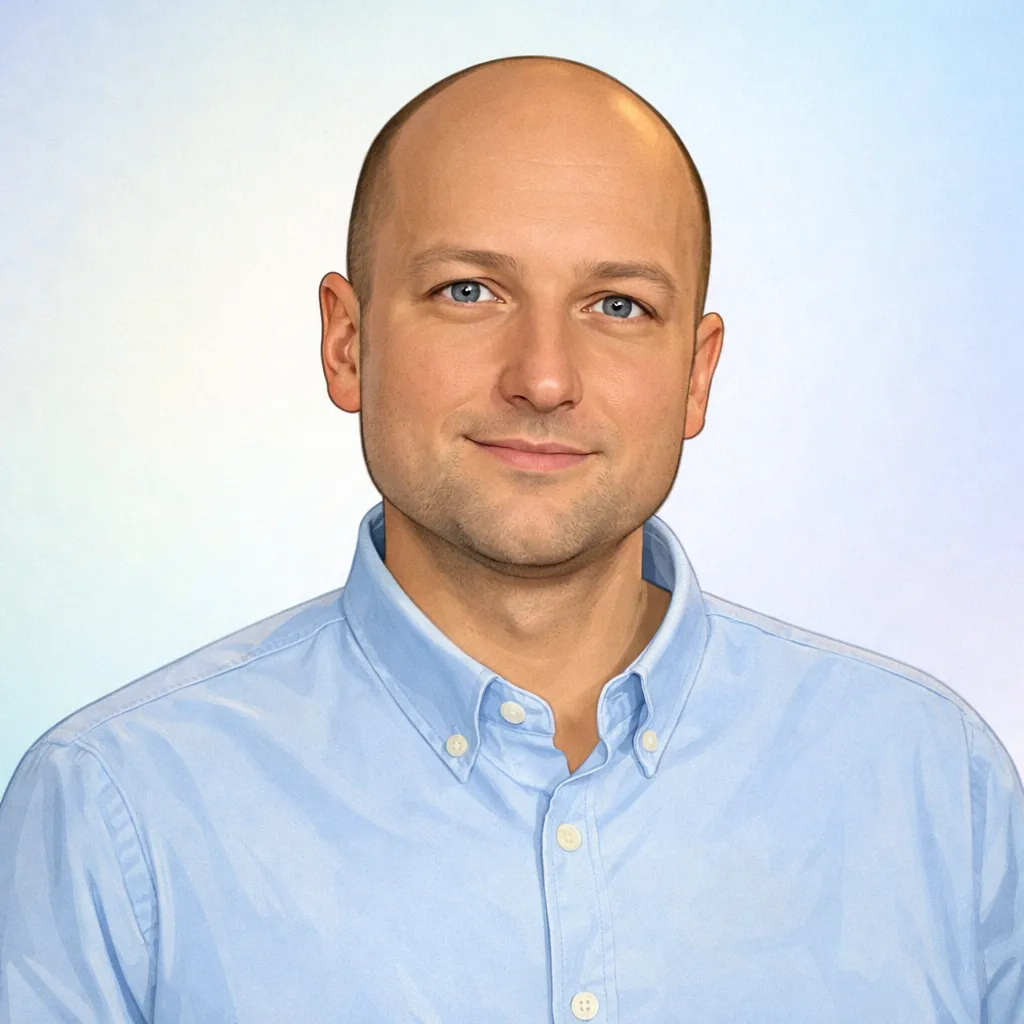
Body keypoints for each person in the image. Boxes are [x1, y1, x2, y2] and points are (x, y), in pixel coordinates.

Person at [1, 54, 1021, 1022]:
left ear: (696, 372)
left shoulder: (937, 786)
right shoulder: (114, 808)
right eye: (468, 292)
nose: (541, 376)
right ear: (346, 341)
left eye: (617, 304)